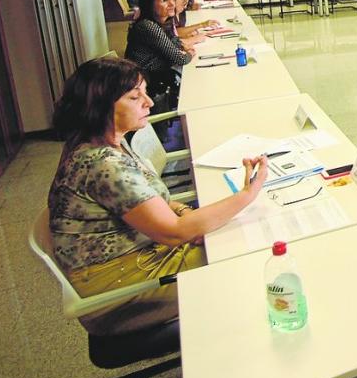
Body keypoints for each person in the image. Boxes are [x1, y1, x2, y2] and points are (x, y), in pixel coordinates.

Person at [47, 56, 268, 335]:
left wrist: (188, 215)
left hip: (139, 254)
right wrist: (248, 194)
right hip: (121, 290)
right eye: (134, 97)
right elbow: (173, 233)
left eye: (145, 93)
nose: (149, 103)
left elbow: (151, 201)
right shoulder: (102, 163)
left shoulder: (105, 142)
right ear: (101, 107)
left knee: (235, 235)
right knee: (246, 253)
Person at [125, 0, 195, 112]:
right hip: (148, 86)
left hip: (159, 77)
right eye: (164, 0)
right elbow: (179, 58)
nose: (172, 4)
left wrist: (183, 49)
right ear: (150, 5)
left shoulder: (164, 21)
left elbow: (176, 43)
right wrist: (189, 53)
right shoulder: (148, 26)